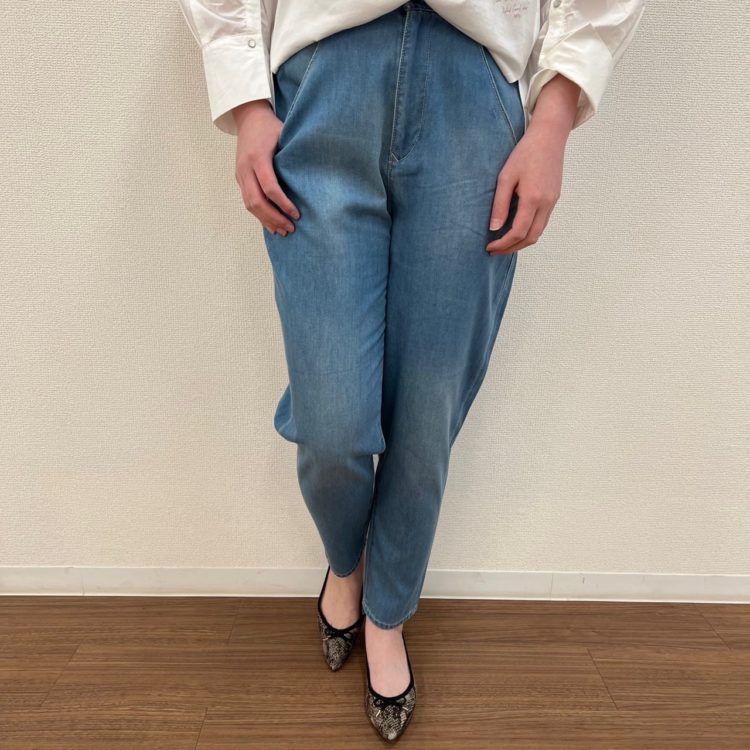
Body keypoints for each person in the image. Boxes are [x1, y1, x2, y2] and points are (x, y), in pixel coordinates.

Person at [176, 0, 646, 741]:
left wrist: (554, 117)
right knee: (332, 423)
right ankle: (347, 564)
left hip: (475, 85)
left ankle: (387, 612)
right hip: (323, 75)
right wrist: (246, 100)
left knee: (427, 411)